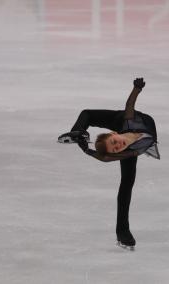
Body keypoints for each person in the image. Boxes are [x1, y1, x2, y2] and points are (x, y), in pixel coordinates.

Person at [58, 78, 160, 249]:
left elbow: (129, 105)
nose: (117, 146)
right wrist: (87, 151)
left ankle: (78, 132)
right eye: (116, 149)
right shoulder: (132, 151)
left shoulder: (128, 121)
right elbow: (106, 158)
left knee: (88, 114)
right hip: (140, 141)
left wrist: (136, 89)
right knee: (126, 185)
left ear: (113, 135)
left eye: (114, 143)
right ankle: (123, 232)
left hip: (122, 120)